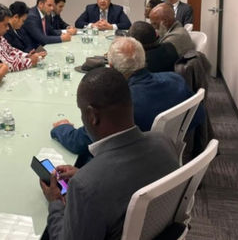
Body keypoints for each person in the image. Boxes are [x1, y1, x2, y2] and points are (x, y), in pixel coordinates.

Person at [39, 67, 179, 240]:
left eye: (81, 112)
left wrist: (55, 203)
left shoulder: (85, 186)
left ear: (92, 116)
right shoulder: (164, 142)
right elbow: (127, 181)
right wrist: (84, 173)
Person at [51, 37, 201, 166]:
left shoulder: (120, 103)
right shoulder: (176, 79)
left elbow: (79, 142)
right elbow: (199, 115)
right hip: (170, 156)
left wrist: (61, 128)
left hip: (129, 165)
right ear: (143, 59)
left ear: (111, 67)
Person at [0, 4, 43, 72]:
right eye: (5, 25)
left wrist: (26, 56)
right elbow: (4, 63)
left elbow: (10, 50)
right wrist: (30, 61)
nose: (8, 28)